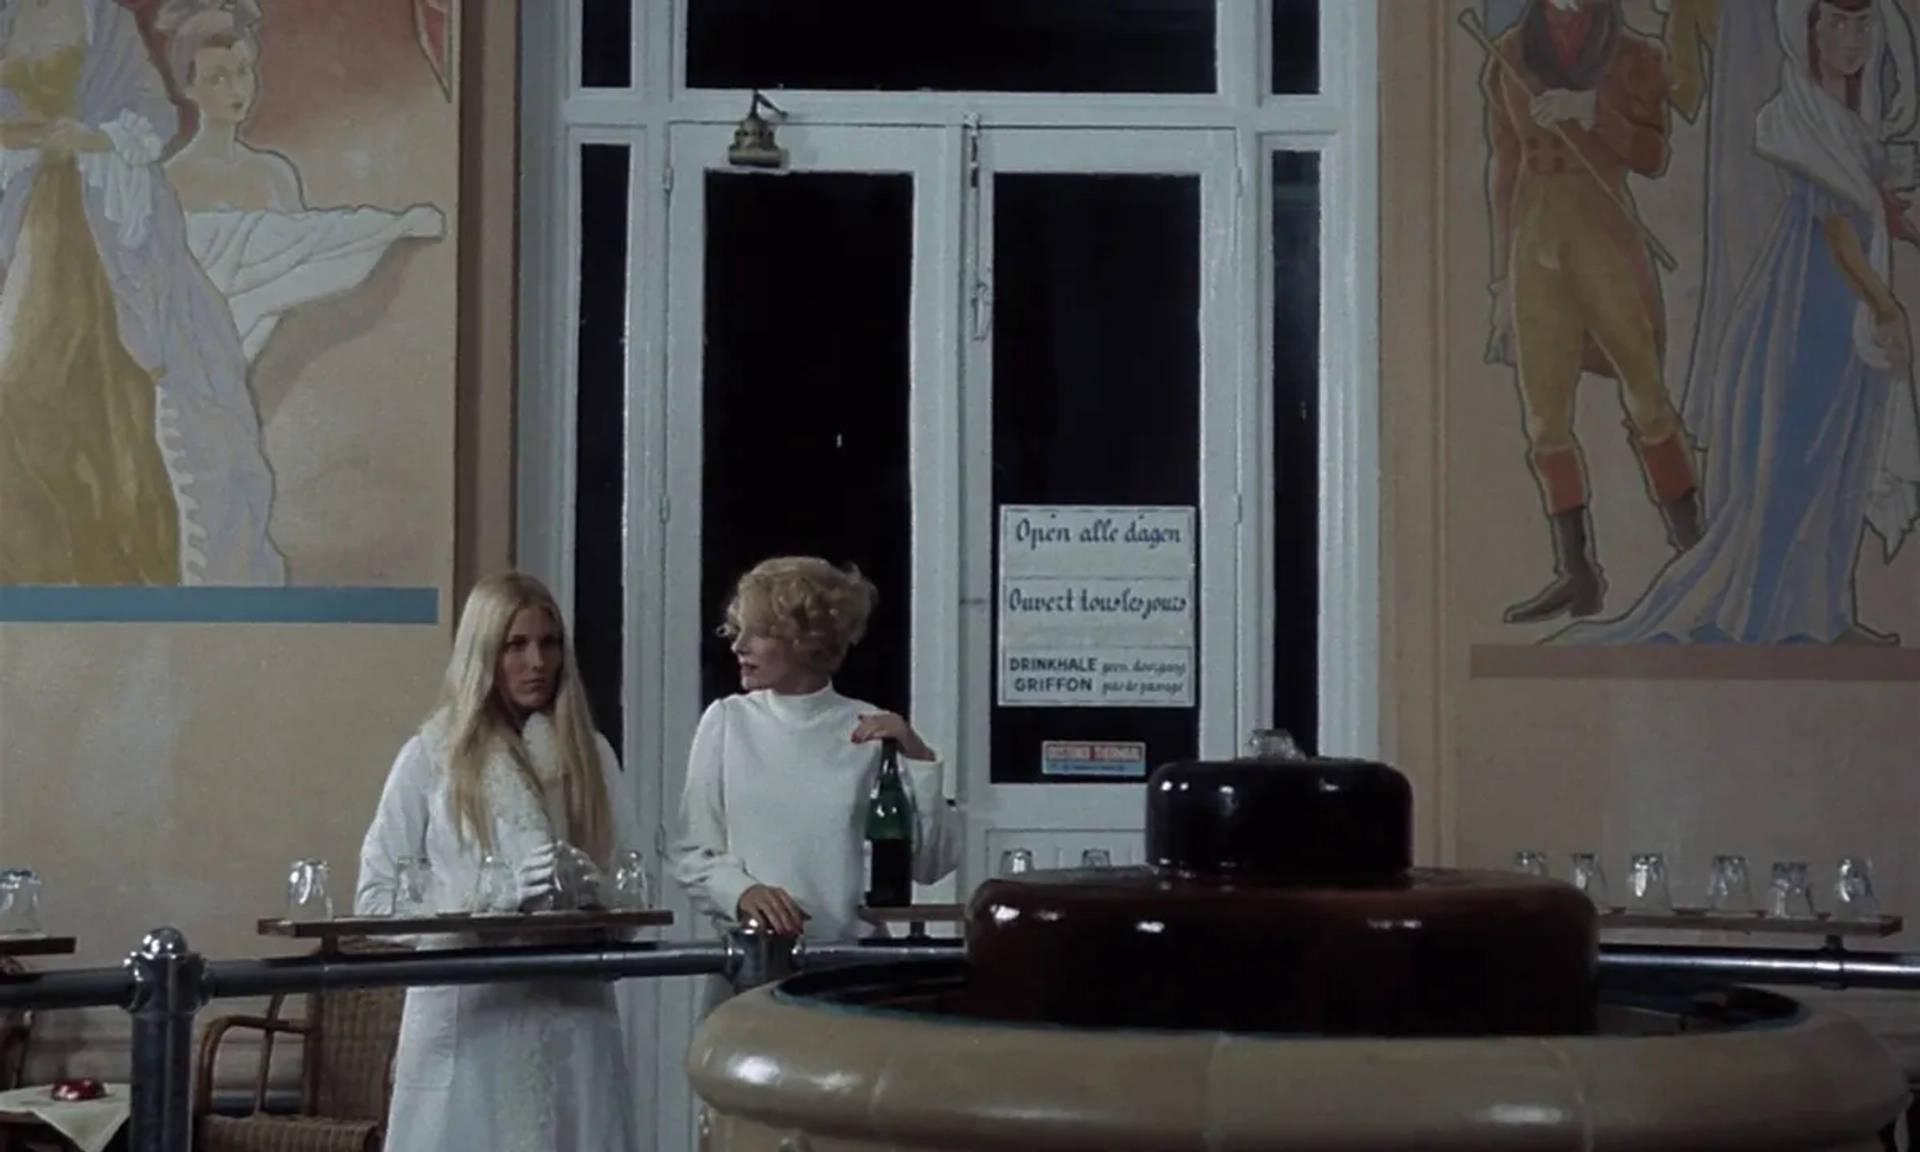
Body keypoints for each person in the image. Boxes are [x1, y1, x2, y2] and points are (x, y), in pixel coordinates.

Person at [354, 571, 639, 1152]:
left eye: (549, 643)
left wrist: (595, 897)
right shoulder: (431, 757)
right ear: (483, 653)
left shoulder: (591, 757)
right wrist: (490, 899)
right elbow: (375, 899)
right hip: (469, 1023)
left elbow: (633, 888)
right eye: (516, 645)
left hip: (572, 1021)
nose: (538, 662)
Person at [0, 0, 282, 586]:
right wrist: (25, 138)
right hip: (21, 206)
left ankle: (121, 566)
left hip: (101, 219)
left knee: (116, 394)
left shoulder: (105, 21)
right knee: (19, 386)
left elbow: (153, 116)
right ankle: (39, 568)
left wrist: (88, 138)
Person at [1479, 0, 1701, 625]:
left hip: (1605, 236)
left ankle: (1695, 554)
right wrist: (1500, 281)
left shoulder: (1636, 55)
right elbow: (1505, 165)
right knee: (1544, 422)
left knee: (1647, 399)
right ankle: (1577, 576)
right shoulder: (1511, 56)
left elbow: (1654, 156)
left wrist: (1591, 111)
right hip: (1534, 245)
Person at [672, 557, 964, 958]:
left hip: (853, 965)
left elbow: (933, 864)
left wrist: (918, 756)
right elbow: (691, 851)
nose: (739, 646)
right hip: (756, 961)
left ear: (807, 641)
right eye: (739, 631)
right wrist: (741, 892)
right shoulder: (727, 721)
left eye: (759, 633)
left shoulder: (869, 729)